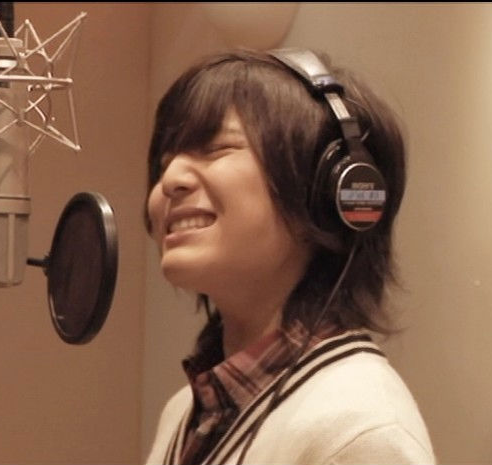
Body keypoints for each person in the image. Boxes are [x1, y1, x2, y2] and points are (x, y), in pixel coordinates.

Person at [144, 48, 435, 464]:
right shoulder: (183, 412)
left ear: (321, 192)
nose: (169, 180)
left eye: (217, 148)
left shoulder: (361, 431)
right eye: (165, 162)